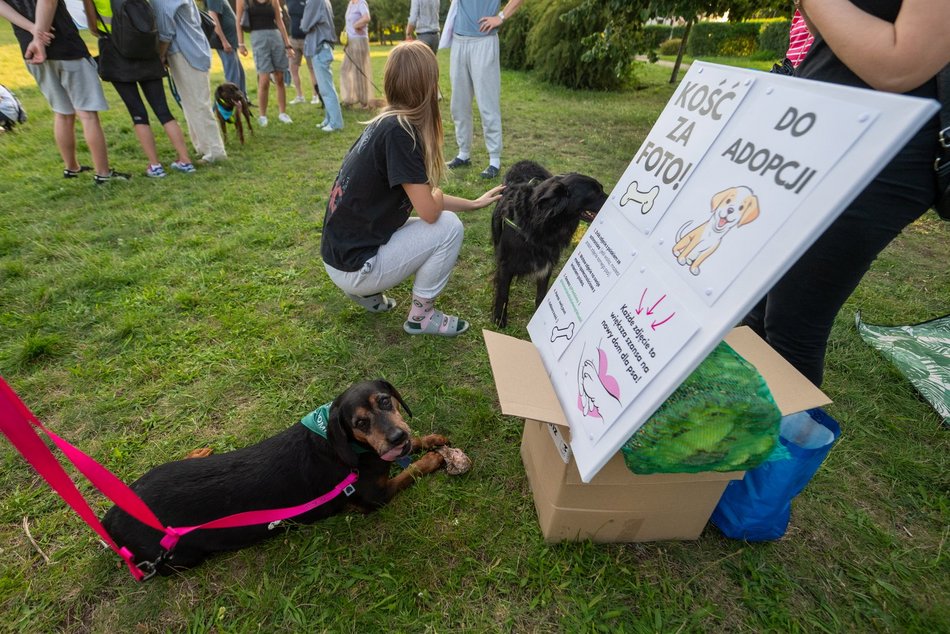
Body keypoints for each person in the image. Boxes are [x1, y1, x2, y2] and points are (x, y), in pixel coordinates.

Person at [741, 0, 950, 387]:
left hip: (882, 145)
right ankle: (733, 420)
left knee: (792, 320)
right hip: (825, 129)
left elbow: (901, 64)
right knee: (758, 299)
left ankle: (780, 444)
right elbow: (843, 37)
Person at [321, 41, 504, 337]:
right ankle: (421, 316)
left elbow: (424, 197)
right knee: (450, 228)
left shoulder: (386, 123)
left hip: (339, 258)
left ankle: (367, 294)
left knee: (439, 221)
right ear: (427, 86)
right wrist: (440, 197)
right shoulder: (401, 133)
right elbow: (431, 211)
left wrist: (472, 203)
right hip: (356, 267)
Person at [1, 0, 130, 184]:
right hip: (64, 46)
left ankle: (72, 168)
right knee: (87, 114)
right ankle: (103, 173)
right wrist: (39, 38)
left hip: (29, 49)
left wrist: (33, 31)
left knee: (62, 112)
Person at [82, 0, 195, 178]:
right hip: (146, 50)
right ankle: (185, 160)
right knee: (163, 110)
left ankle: (155, 165)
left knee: (138, 114)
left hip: (116, 52)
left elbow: (93, 27)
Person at [445, 0, 524, 179]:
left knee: (487, 105)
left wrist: (501, 17)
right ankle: (463, 154)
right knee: (458, 105)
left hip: (484, 41)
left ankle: (494, 159)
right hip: (458, 40)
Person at [153, 0, 228, 163]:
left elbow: (166, 30)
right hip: (191, 49)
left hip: (186, 52)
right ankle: (203, 147)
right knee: (190, 103)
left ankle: (215, 151)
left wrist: (160, 55)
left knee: (198, 103)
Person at [236, 0, 294, 126]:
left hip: (275, 36)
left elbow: (279, 21)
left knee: (279, 78)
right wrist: (241, 43)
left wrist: (287, 45)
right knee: (264, 80)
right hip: (258, 38)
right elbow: (238, 21)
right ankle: (262, 116)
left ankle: (283, 113)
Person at [301, 0, 343, 131]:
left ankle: (335, 123)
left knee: (326, 88)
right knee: (325, 87)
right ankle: (329, 119)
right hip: (322, 47)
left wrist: (306, 24)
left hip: (319, 47)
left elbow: (305, 25)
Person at [206, 0, 247, 96]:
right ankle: (230, 102)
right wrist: (224, 41)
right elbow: (213, 17)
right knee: (233, 76)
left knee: (239, 73)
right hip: (225, 42)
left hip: (231, 42)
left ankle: (243, 99)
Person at [339, 0, 373, 109]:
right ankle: (349, 99)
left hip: (359, 41)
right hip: (350, 41)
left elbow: (367, 17)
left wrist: (356, 25)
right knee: (344, 69)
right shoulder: (350, 4)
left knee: (359, 72)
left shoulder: (361, 3)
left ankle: (364, 102)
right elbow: (348, 23)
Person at [285, 0, 318, 105]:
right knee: (293, 68)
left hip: (307, 39)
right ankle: (299, 96)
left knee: (312, 68)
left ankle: (315, 96)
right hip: (293, 39)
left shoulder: (309, 1)